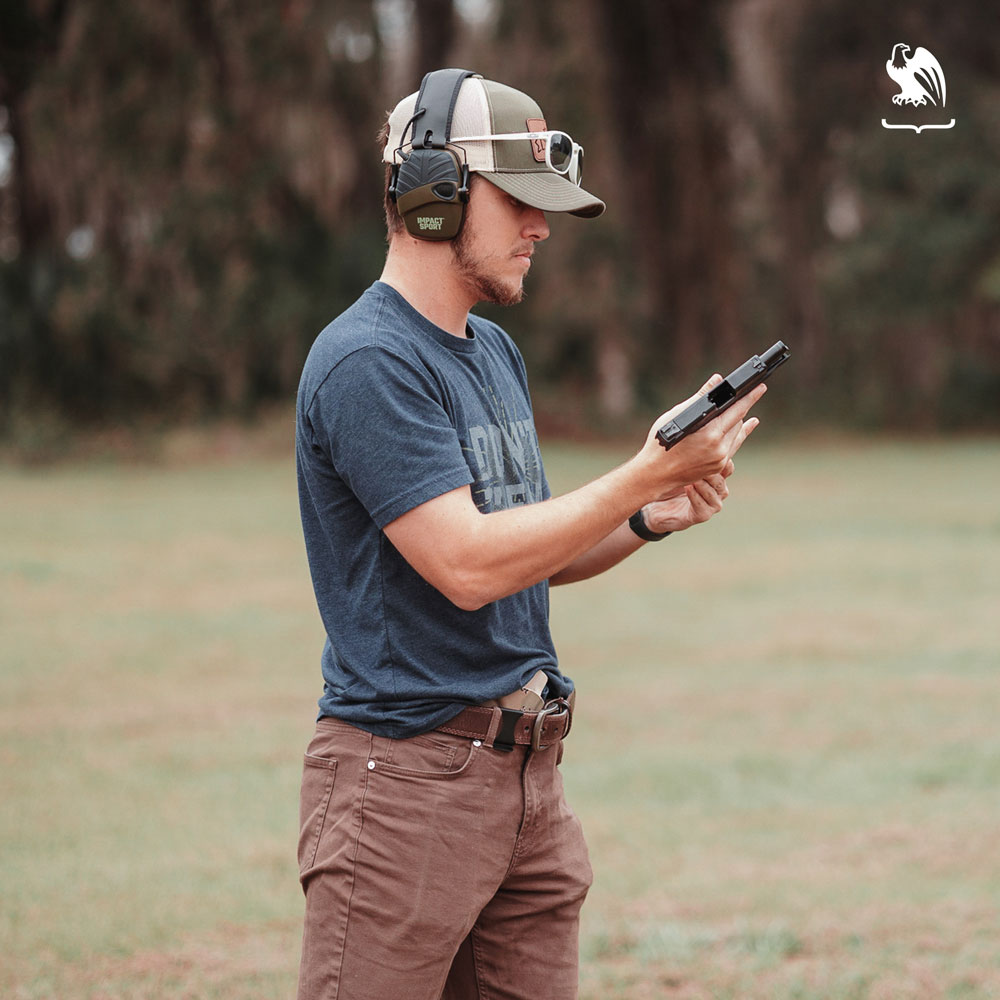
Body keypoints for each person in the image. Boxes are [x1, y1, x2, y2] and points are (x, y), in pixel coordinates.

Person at [294, 69, 765, 1000]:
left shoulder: (492, 350)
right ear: (437, 195)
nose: (542, 228)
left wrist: (644, 515)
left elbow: (525, 548)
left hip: (527, 784)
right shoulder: (366, 362)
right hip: (406, 792)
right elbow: (467, 565)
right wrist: (640, 471)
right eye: (520, 203)